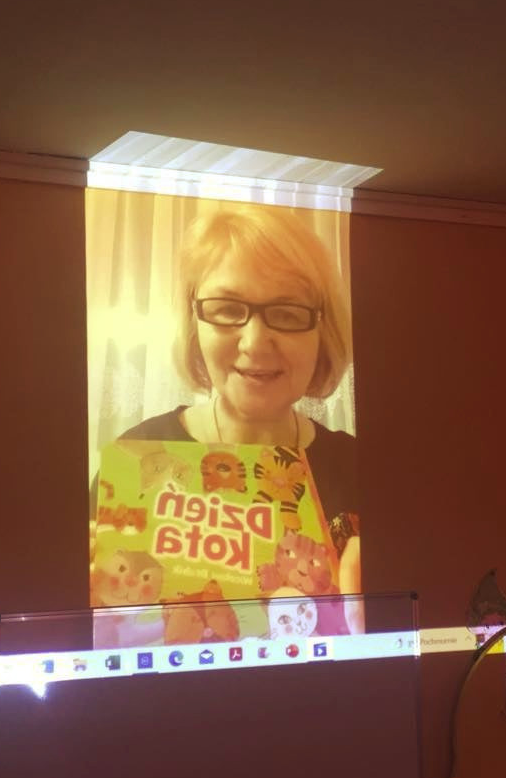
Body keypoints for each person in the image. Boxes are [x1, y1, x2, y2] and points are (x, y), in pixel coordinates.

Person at [105, 204, 361, 596]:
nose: (254, 343)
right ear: (194, 322)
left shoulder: (364, 473)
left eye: (287, 312)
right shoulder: (135, 458)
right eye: (226, 309)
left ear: (323, 331)